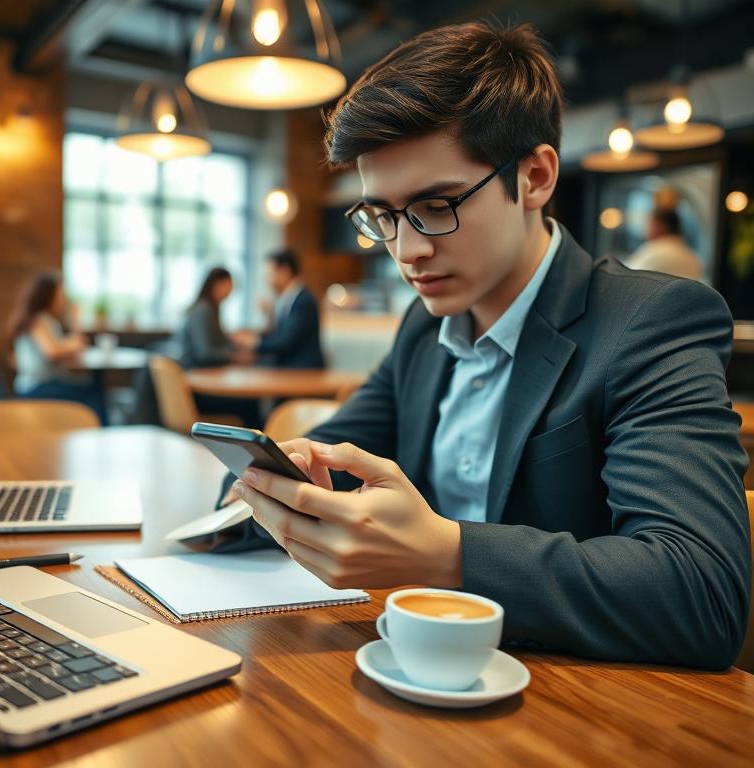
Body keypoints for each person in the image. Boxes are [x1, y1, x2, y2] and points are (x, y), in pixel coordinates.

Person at [224, 22, 750, 669]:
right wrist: (268, 489)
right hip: (412, 672)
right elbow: (325, 457)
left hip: (583, 705)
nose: (407, 250)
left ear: (534, 176)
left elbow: (703, 594)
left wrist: (446, 553)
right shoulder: (425, 328)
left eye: (436, 205)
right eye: (382, 217)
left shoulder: (651, 321)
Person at [8, 272, 108, 425]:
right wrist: (75, 324)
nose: (64, 299)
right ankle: (101, 433)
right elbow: (52, 352)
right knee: (94, 393)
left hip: (42, 385)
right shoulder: (39, 320)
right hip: (37, 388)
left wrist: (74, 326)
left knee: (92, 388)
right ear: (48, 296)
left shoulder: (46, 321)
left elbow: (76, 348)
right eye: (61, 293)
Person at [176, 266, 261, 427]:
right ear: (217, 284)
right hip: (197, 393)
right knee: (251, 403)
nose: (231, 292)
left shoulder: (208, 309)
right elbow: (205, 354)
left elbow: (219, 342)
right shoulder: (203, 311)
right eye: (229, 285)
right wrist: (236, 357)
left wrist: (235, 345)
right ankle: (258, 450)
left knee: (250, 400)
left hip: (196, 386)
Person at [254, 249, 325, 369]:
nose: (266, 279)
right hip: (290, 368)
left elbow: (286, 343)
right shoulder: (288, 299)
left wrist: (254, 343)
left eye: (269, 274)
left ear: (285, 271)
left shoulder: (304, 301)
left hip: (303, 372)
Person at [624, 207, 703, 280]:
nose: (645, 228)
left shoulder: (654, 251)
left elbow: (629, 280)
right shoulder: (692, 257)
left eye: (649, 223)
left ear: (659, 226)